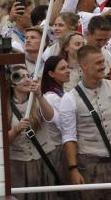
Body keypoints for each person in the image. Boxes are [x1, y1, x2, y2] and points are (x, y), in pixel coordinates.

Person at [59, 45, 111, 200]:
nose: (103, 65)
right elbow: (69, 137)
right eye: (98, 63)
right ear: (84, 66)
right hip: (89, 164)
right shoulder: (69, 98)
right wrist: (73, 169)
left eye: (103, 61)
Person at [8, 64, 56, 200]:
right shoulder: (4, 106)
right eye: (20, 77)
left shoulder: (38, 99)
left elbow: (50, 116)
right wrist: (16, 129)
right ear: (12, 84)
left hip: (43, 159)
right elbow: (2, 142)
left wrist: (39, 95)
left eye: (28, 76)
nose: (27, 79)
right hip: (19, 164)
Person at [40, 56, 72, 186]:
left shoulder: (63, 93)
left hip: (66, 146)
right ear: (51, 74)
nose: (68, 70)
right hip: (60, 151)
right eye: (63, 68)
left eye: (67, 67)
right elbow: (64, 125)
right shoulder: (51, 97)